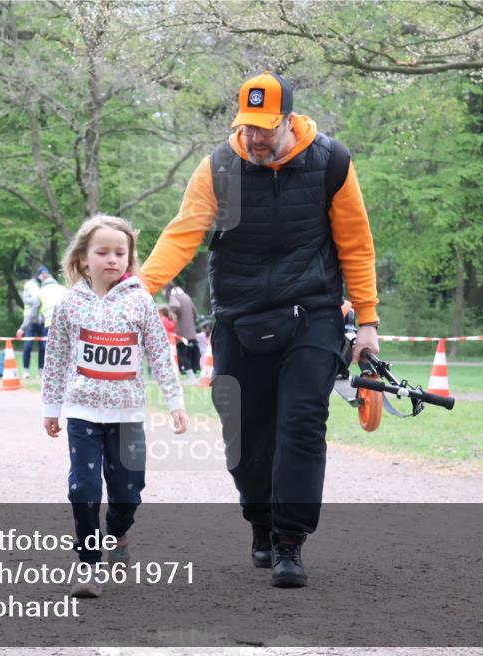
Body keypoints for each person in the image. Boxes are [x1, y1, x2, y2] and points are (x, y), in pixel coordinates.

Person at [140, 71, 380, 588]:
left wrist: (367, 322)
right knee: (244, 436)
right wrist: (138, 288)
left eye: (265, 128)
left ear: (289, 122)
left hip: (312, 313)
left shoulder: (332, 163)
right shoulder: (219, 167)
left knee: (300, 424)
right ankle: (262, 521)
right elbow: (183, 234)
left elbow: (356, 246)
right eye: (247, 127)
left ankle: (290, 541)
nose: (255, 138)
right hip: (238, 316)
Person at [42, 214, 189, 598]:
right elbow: (56, 357)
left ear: (129, 258)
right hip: (82, 412)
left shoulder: (140, 301)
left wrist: (176, 402)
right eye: (102, 252)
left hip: (127, 414)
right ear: (82, 259)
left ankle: (119, 533)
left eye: (120, 252)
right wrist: (51, 407)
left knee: (128, 491)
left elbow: (159, 354)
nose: (112, 259)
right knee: (84, 488)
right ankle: (88, 567)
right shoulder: (69, 304)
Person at [17, 267, 67, 379]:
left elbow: (33, 311)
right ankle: (58, 374)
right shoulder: (63, 289)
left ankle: (47, 373)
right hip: (65, 324)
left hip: (48, 323)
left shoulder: (42, 291)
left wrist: (22, 327)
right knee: (61, 350)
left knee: (47, 349)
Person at [16, 267, 48, 379]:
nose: (44, 277)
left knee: (43, 347)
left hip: (42, 320)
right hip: (30, 319)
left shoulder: (47, 286)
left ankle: (41, 371)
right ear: (38, 274)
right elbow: (25, 300)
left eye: (46, 275)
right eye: (43, 274)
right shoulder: (29, 284)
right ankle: (26, 370)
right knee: (28, 345)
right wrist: (36, 301)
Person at [166, 283, 202, 380]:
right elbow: (195, 312)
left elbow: (175, 306)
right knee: (192, 352)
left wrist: (170, 315)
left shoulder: (173, 296)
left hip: (180, 332)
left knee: (181, 353)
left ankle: (190, 376)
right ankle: (195, 373)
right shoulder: (187, 297)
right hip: (191, 331)